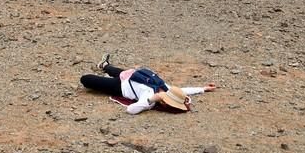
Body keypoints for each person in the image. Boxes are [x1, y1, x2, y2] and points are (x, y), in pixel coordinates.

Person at [80, 53, 216, 114]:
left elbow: (131, 110)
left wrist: (152, 99)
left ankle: (105, 69)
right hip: (131, 75)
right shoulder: (166, 88)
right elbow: (183, 90)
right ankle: (104, 65)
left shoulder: (149, 97)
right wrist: (203, 88)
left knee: (86, 79)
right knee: (112, 69)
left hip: (121, 86)